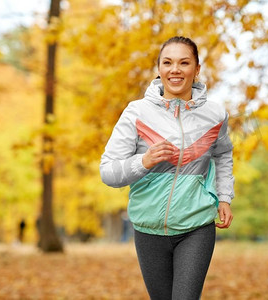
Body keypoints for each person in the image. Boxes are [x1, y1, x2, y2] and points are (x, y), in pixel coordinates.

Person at [100, 36, 234, 300]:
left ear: (196, 69)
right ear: (158, 68)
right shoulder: (136, 112)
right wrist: (144, 161)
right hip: (148, 228)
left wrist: (224, 196)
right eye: (168, 62)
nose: (175, 69)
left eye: (184, 62)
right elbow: (108, 171)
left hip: (196, 224)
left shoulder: (215, 115)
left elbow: (224, 153)